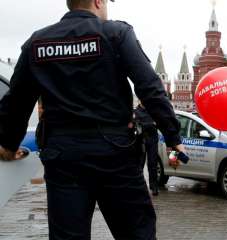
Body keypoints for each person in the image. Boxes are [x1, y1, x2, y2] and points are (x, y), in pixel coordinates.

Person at [0, 0, 185, 239]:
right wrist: (172, 135)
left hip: (63, 157)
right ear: (98, 1)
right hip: (116, 154)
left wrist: (7, 144)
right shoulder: (117, 33)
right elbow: (150, 86)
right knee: (137, 233)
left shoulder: (37, 42)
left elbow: (17, 101)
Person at [134, 104, 160, 196]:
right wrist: (151, 123)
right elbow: (137, 126)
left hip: (152, 141)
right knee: (140, 164)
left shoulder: (152, 110)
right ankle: (139, 187)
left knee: (153, 163)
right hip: (141, 141)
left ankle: (154, 186)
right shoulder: (136, 111)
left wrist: (148, 124)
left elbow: (159, 123)